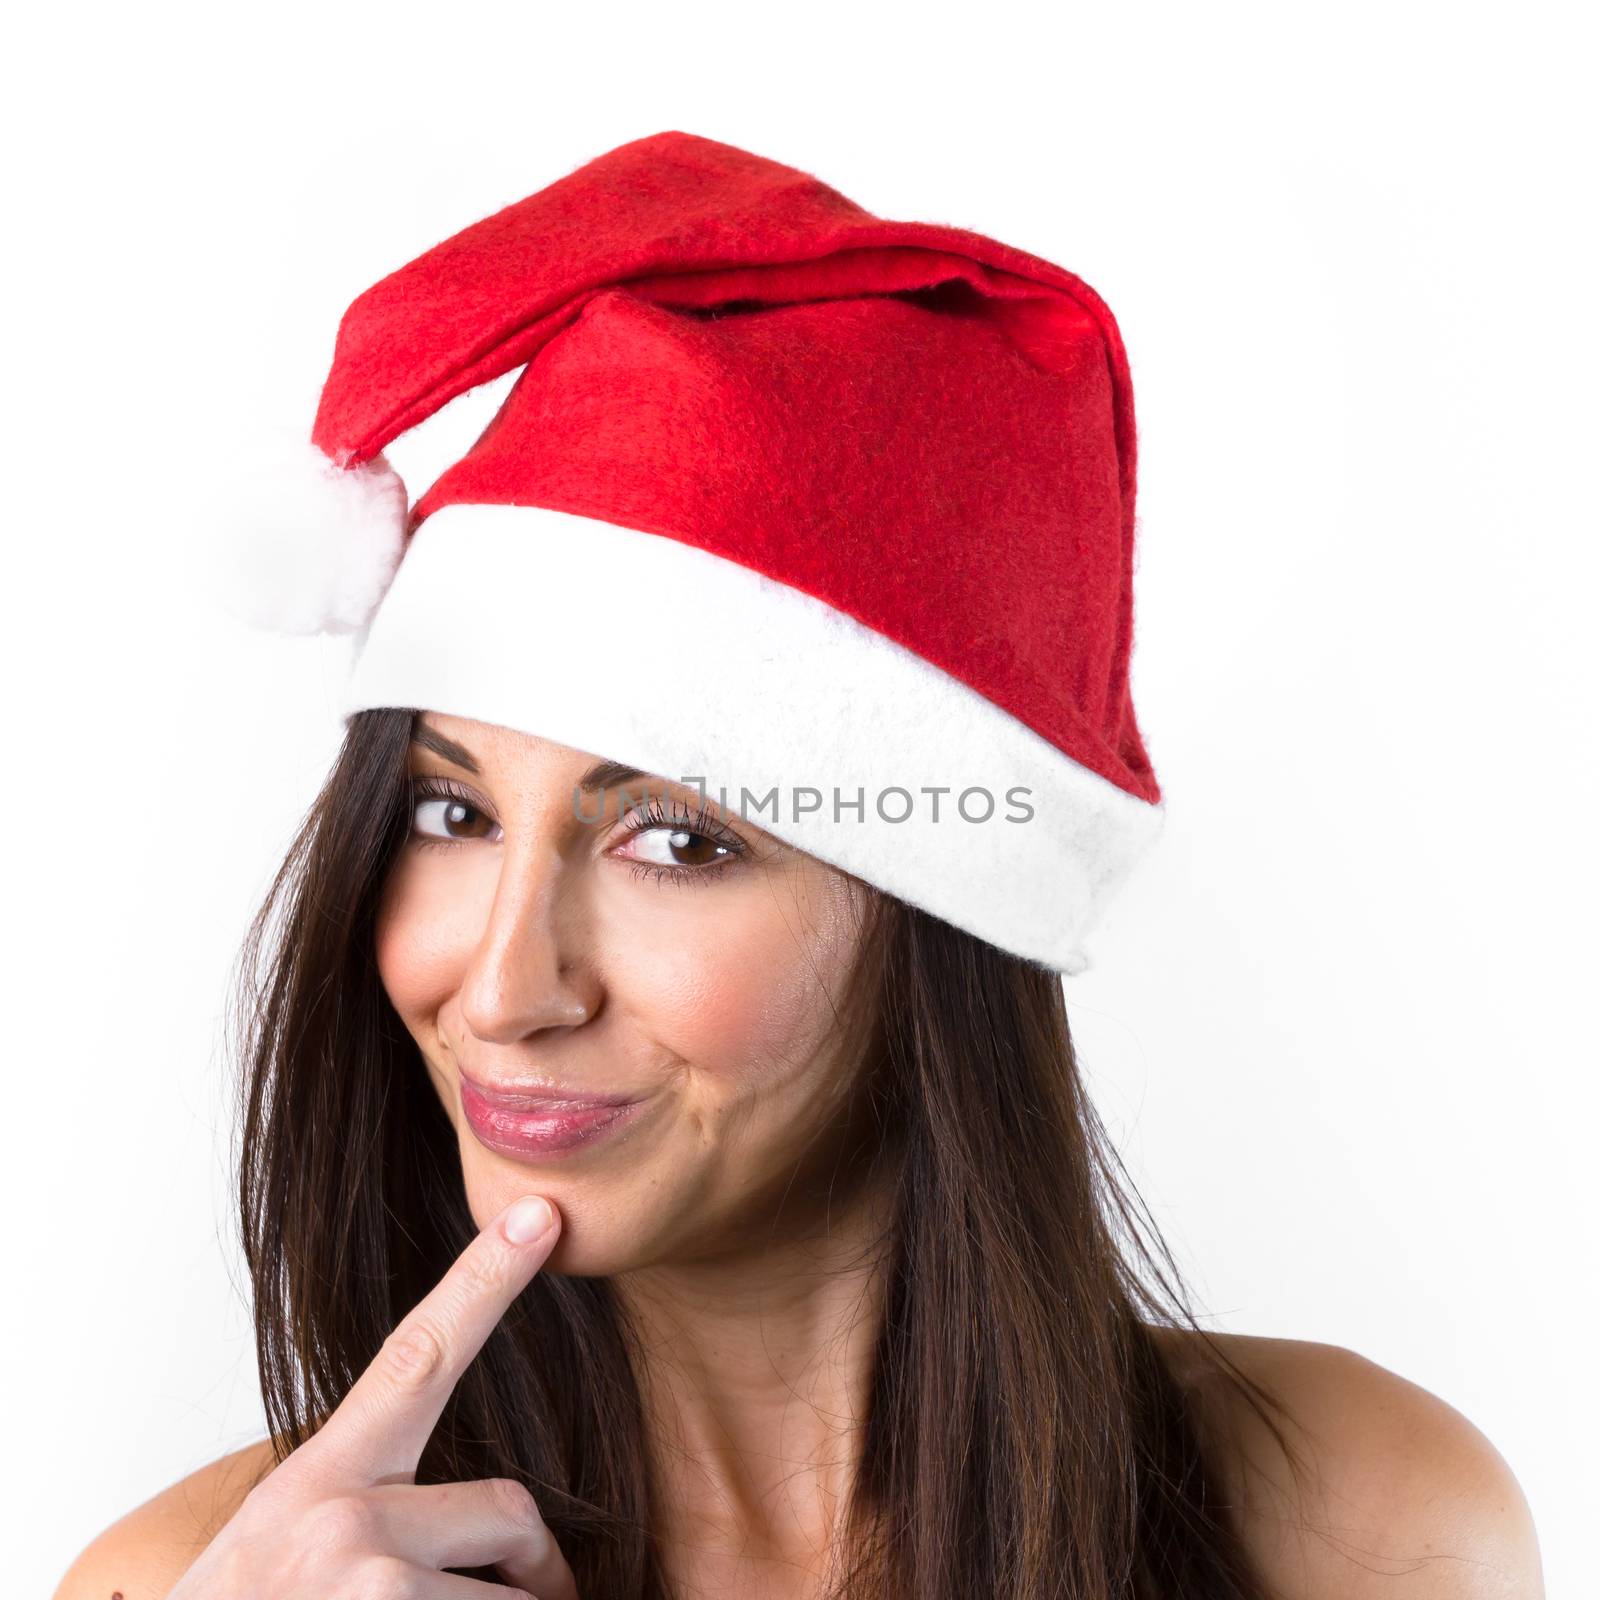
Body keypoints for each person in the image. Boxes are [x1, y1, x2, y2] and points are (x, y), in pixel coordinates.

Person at [55, 131, 1542, 1599]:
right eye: (454, 815)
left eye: (678, 840)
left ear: (936, 914)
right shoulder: (198, 1579)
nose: (503, 990)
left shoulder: (1361, 1529)